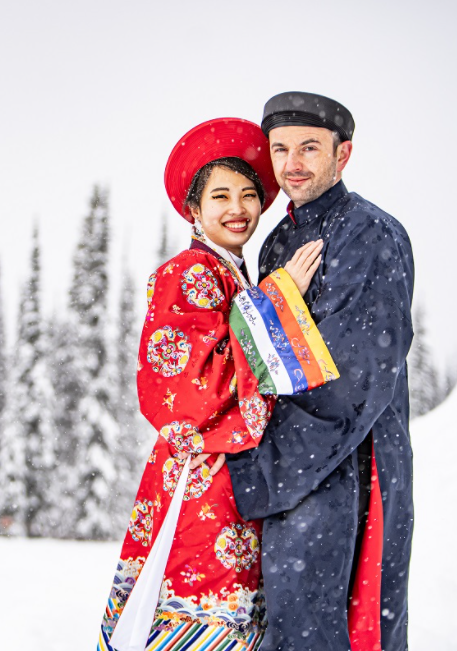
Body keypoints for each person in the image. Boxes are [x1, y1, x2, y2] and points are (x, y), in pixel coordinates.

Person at [97, 118, 325, 651]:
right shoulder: (190, 272)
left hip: (227, 468)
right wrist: (279, 300)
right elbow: (183, 385)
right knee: (198, 609)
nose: (237, 208)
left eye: (248, 194)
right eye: (220, 196)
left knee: (228, 609)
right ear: (194, 210)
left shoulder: (231, 274)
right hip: (201, 472)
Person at [225, 92, 415, 651]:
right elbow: (268, 352)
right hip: (296, 458)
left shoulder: (371, 233)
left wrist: (266, 462)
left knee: (339, 619)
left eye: (309, 147)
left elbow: (358, 368)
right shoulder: (279, 240)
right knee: (289, 616)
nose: (292, 163)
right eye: (280, 149)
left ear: (343, 153)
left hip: (351, 455)